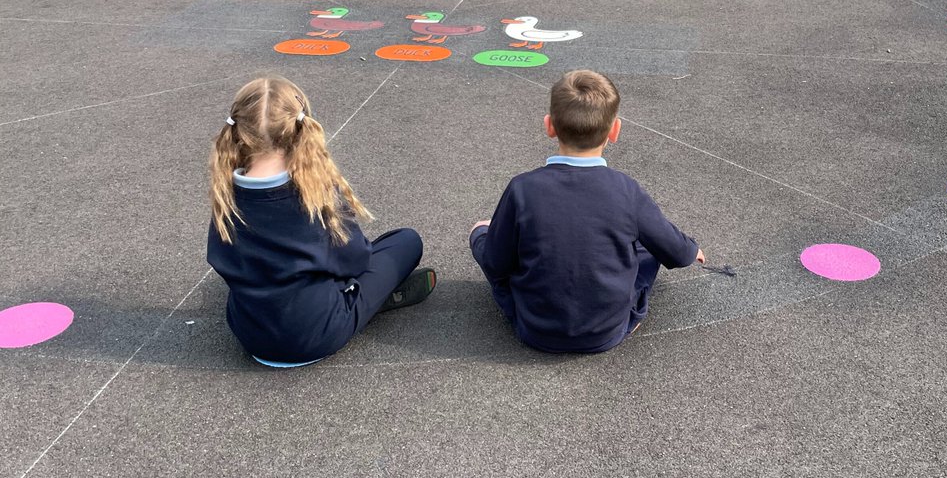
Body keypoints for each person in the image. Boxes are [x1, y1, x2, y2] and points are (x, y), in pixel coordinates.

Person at [470, 70, 704, 354]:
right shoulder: (625, 190)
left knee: (486, 234)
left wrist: (483, 235)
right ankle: (629, 313)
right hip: (607, 330)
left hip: (534, 329)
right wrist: (690, 249)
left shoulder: (522, 189)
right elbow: (677, 254)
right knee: (647, 246)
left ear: (549, 126)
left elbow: (496, 263)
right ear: (615, 130)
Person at [207, 76, 436, 366]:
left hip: (250, 333)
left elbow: (219, 257)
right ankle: (366, 303)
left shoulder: (225, 193)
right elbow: (356, 259)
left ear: (238, 131)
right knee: (406, 241)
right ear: (298, 129)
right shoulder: (313, 191)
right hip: (318, 333)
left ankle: (347, 298)